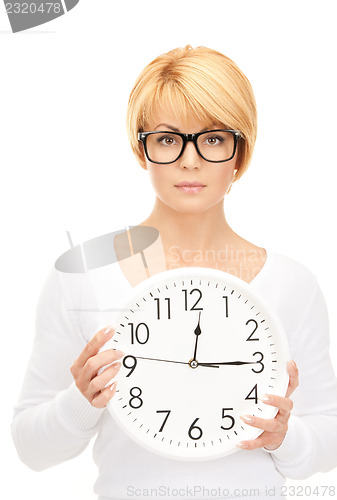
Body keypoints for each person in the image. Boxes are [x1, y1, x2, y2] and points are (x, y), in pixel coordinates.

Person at [11, 45, 337, 500]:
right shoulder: (83, 275)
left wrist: (287, 434)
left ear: (240, 152)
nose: (190, 159)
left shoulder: (292, 284)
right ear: (140, 148)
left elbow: (328, 438)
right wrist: (79, 401)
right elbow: (30, 449)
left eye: (213, 138)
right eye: (168, 139)